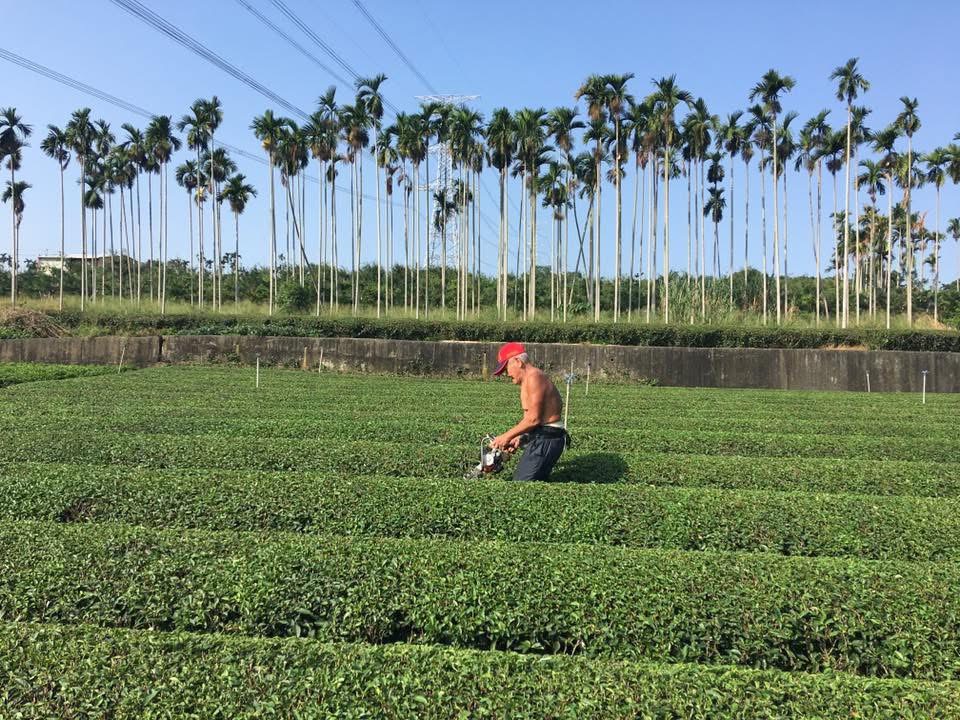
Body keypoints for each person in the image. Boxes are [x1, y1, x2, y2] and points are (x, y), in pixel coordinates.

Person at [490, 342, 570, 480]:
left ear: (518, 362)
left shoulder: (534, 377)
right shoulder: (527, 380)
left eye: (506, 368)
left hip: (547, 438)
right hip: (541, 437)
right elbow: (529, 419)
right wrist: (518, 438)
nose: (506, 374)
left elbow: (533, 419)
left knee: (522, 483)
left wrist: (505, 437)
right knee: (529, 481)